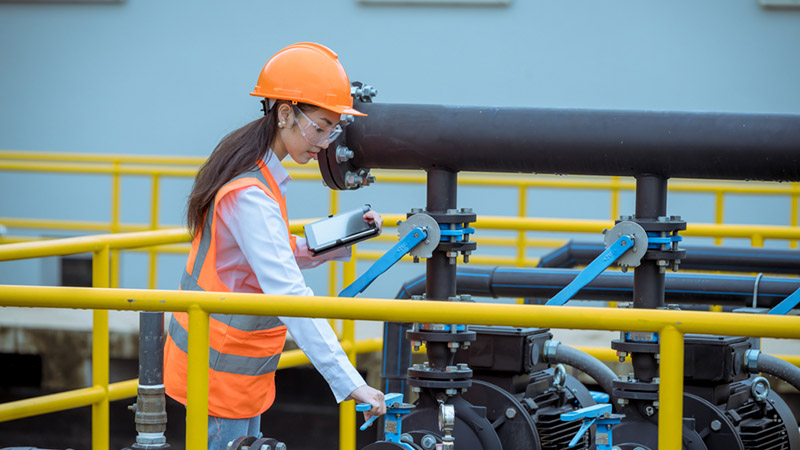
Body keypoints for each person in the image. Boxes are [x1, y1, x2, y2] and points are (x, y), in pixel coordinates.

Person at [163, 42, 387, 450]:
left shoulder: (254, 171)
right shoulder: (251, 194)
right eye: (320, 125)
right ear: (285, 113)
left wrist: (334, 241)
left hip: (226, 362)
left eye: (333, 128)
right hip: (221, 370)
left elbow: (270, 252)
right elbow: (289, 293)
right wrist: (351, 382)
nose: (325, 141)